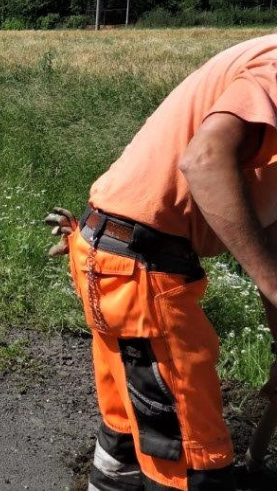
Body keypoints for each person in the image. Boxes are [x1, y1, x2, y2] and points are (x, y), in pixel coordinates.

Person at [45, 34, 277, 490]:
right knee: (192, 463)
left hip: (113, 255)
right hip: (140, 272)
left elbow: (269, 232)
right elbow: (205, 161)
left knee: (133, 434)